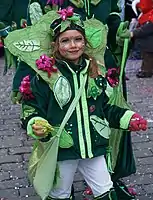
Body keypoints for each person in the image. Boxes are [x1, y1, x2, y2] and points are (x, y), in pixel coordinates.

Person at [9, 8, 147, 200]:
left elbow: (105, 108)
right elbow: (31, 107)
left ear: (85, 42)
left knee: (106, 190)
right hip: (63, 149)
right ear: (55, 45)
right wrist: (36, 123)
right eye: (65, 41)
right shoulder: (46, 77)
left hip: (94, 146)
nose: (73, 45)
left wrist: (128, 118)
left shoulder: (95, 73)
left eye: (78, 39)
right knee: (60, 193)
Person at [120, 0, 153, 78]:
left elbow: (146, 29)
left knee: (148, 57)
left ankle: (146, 71)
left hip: (149, 43)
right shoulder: (146, 15)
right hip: (146, 43)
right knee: (147, 56)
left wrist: (133, 33)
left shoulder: (150, 17)